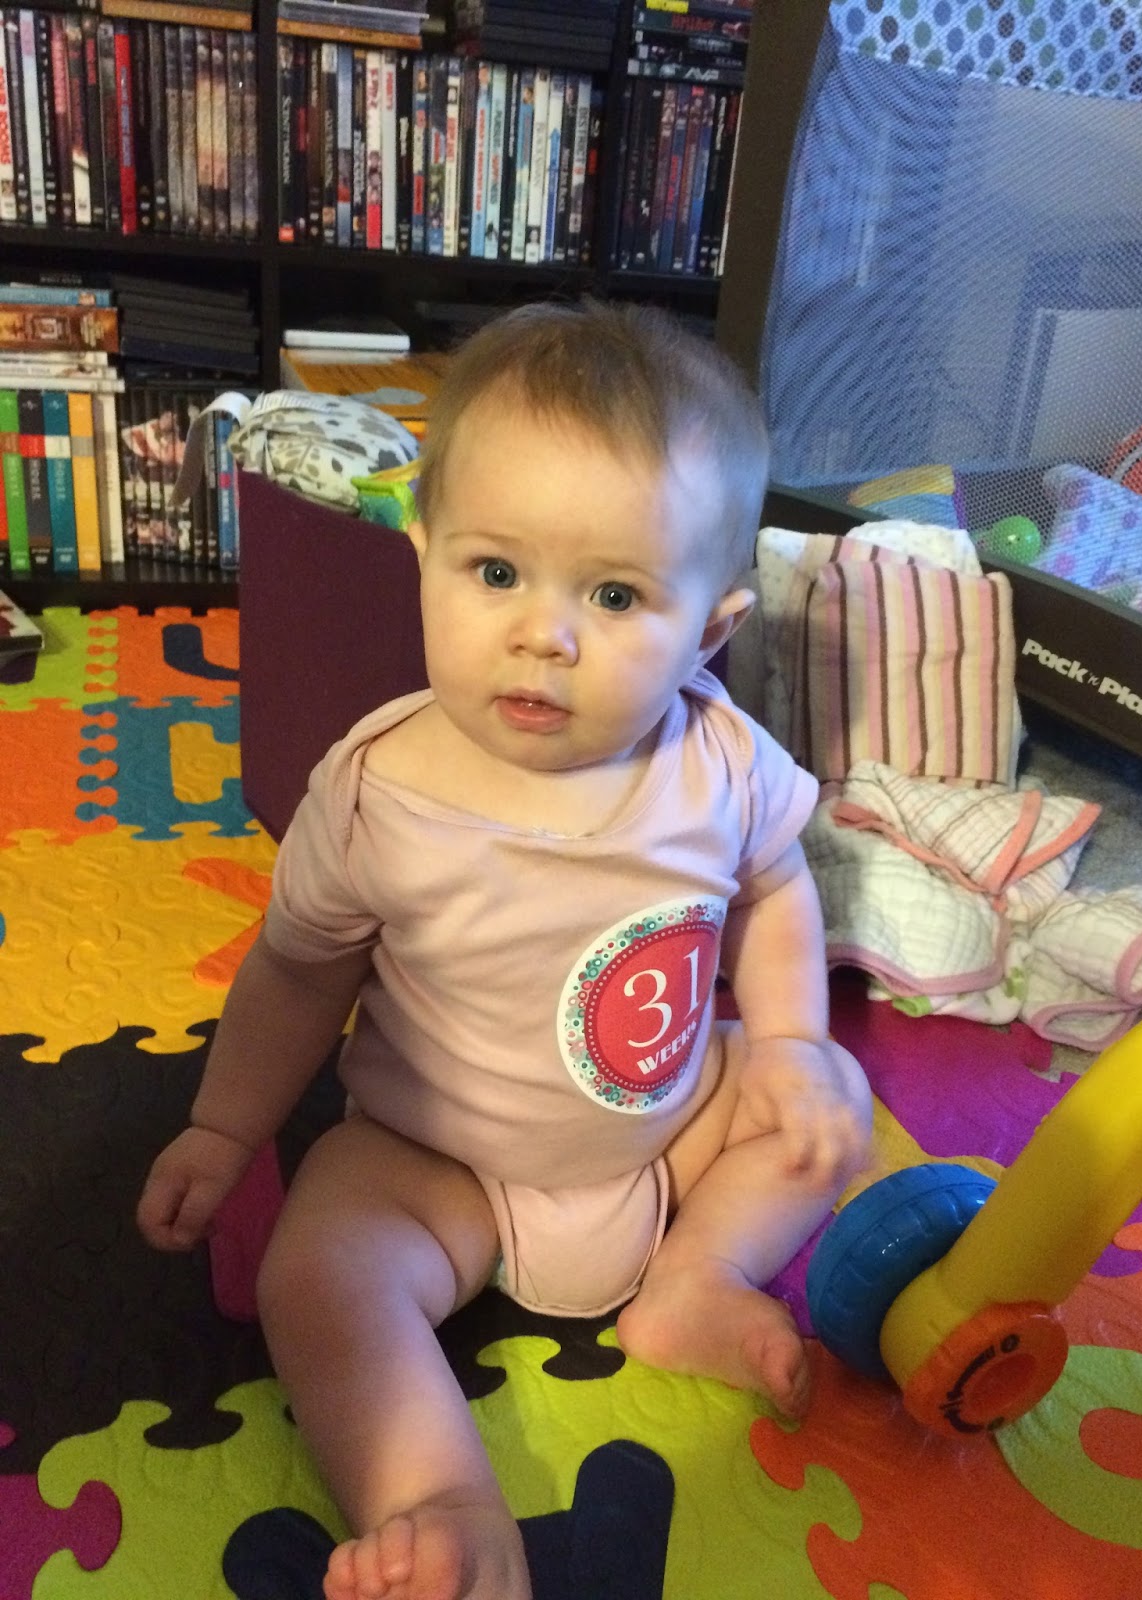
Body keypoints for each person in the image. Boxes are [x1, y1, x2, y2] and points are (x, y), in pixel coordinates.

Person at [137, 299, 873, 1600]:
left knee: (829, 1106)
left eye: (615, 594)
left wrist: (794, 1045)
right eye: (495, 574)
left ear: (710, 629)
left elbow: (773, 893)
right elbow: (297, 972)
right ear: (421, 555)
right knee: (319, 1272)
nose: (546, 634)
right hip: (438, 1163)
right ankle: (436, 1496)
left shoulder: (720, 761)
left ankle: (696, 1277)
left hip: (667, 1134)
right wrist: (223, 1127)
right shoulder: (376, 793)